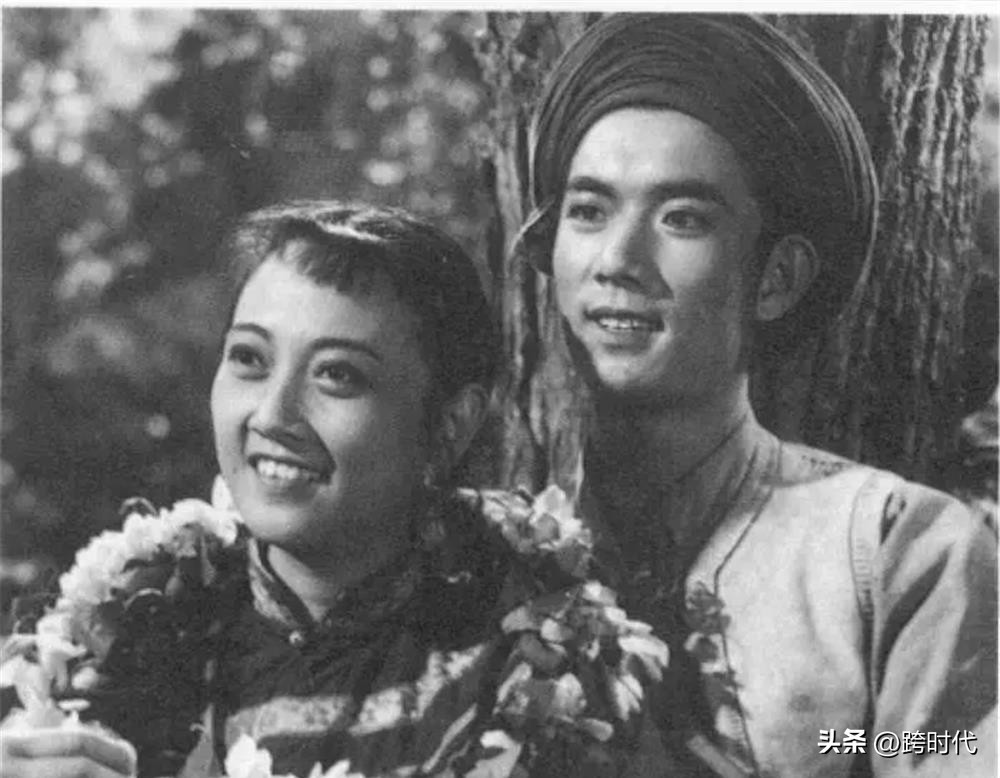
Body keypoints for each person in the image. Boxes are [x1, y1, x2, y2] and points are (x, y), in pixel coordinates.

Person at [0, 201, 666, 778]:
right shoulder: (124, 629)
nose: (273, 416)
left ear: (451, 425)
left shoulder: (543, 652)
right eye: (250, 359)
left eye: (338, 375)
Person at [520, 12, 998, 778]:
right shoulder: (485, 556)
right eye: (588, 211)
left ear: (777, 278)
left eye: (682, 218)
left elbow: (946, 753)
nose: (617, 258)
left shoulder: (897, 550)